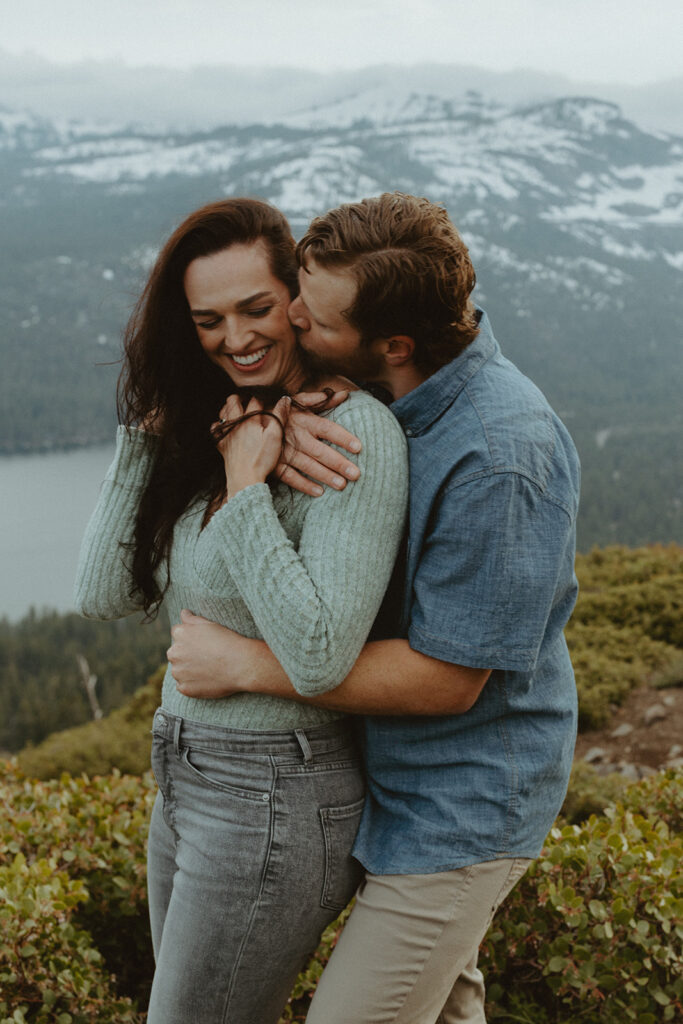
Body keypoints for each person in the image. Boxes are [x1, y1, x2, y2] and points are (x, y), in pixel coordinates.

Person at [167, 192, 581, 1024]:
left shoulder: (501, 456)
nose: (286, 322)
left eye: (309, 320)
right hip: (381, 776)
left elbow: (446, 681)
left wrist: (248, 664)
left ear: (390, 344)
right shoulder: (388, 388)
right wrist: (272, 412)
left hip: (457, 807)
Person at [73, 197, 408, 1024]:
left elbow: (321, 651)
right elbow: (103, 594)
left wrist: (247, 489)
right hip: (182, 773)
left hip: (276, 792)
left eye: (256, 309)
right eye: (208, 320)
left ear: (296, 302)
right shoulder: (229, 418)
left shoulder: (350, 432)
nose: (236, 337)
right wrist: (148, 438)